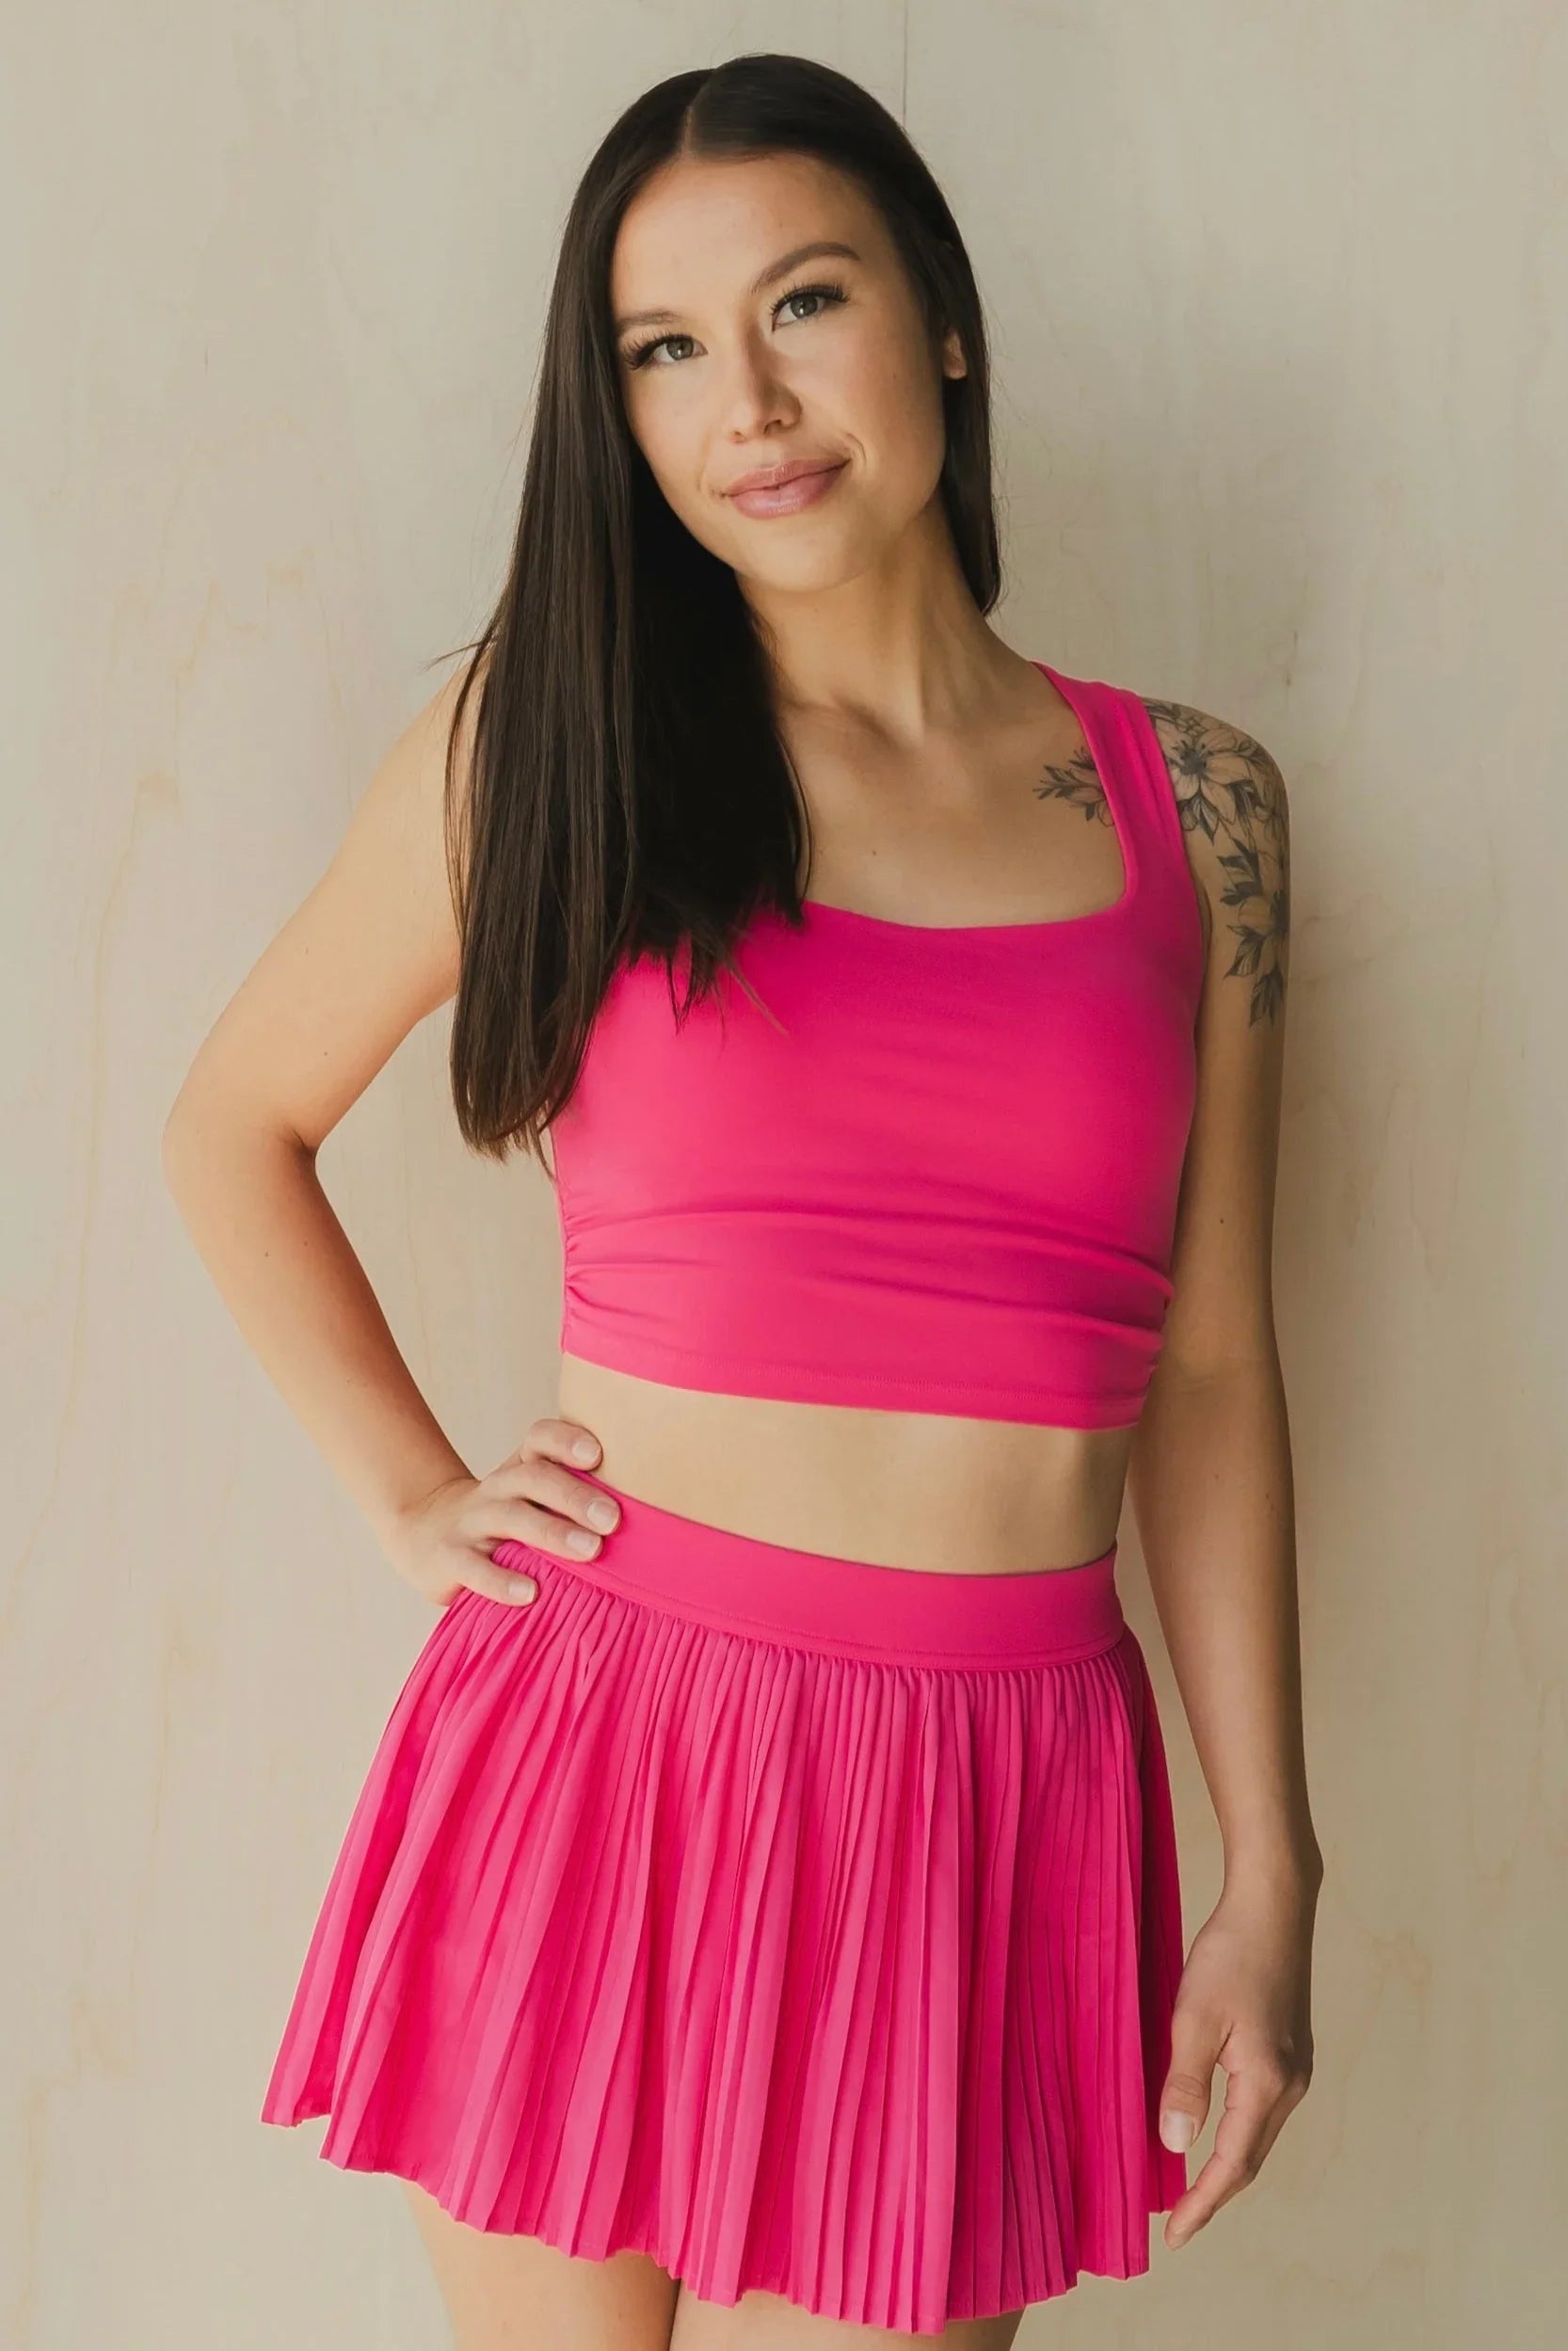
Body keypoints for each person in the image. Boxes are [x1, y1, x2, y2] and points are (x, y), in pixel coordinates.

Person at [163, 51, 1320, 2351]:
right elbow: (234, 1123)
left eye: (804, 302)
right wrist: (410, 1492)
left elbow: (1205, 1366)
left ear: (941, 321)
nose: (749, 405)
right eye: (663, 349)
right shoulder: (553, 742)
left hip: (987, 1791)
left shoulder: (1196, 808)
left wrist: (1270, 1861)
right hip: (605, 1748)